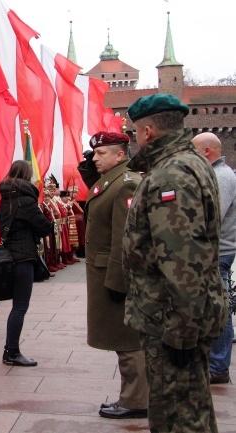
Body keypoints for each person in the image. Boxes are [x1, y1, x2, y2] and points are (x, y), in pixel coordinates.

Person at [123, 94, 227, 432]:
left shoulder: (170, 175)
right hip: (181, 315)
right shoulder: (191, 161)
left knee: (178, 414)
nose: (135, 138)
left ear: (148, 131)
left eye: (135, 132)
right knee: (192, 405)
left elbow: (182, 261)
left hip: (172, 318)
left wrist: (181, 332)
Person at [82, 131, 147, 419]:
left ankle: (136, 400)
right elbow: (97, 193)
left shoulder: (126, 185)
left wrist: (118, 281)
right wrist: (88, 168)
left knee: (127, 339)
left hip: (114, 275)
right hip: (104, 272)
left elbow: (125, 238)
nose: (95, 158)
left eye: (101, 154)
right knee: (121, 338)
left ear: (120, 155)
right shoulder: (115, 180)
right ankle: (131, 396)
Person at [0, 160, 53, 367]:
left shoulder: (5, 199)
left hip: (9, 256)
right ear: (27, 176)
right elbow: (44, 227)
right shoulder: (26, 201)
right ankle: (12, 351)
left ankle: (10, 350)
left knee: (17, 306)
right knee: (20, 307)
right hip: (23, 258)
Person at [192, 132, 236, 385]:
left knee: (219, 309)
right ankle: (215, 363)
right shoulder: (219, 174)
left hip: (218, 252)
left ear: (206, 152)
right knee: (216, 307)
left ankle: (218, 367)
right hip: (217, 250)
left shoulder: (220, 177)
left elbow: (212, 217)